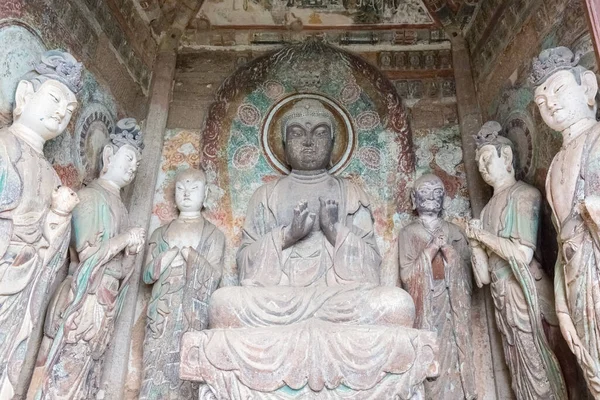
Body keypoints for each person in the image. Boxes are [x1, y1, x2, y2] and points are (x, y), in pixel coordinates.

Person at [34, 118, 145, 400]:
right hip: (84, 300)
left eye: (137, 163)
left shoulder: (121, 207)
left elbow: (120, 268)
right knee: (67, 370)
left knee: (89, 374)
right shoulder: (90, 198)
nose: (133, 167)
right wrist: (124, 240)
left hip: (105, 301)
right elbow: (88, 257)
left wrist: (130, 251)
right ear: (108, 155)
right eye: (129, 158)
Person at [0, 50, 82, 399]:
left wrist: (59, 218)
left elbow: (51, 246)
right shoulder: (3, 145)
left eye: (69, 109)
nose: (61, 112)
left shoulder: (52, 176)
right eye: (54, 98)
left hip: (25, 286)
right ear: (24, 96)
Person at [466, 121, 566, 399]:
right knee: (516, 367)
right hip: (502, 296)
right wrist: (474, 243)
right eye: (479, 164)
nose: (483, 168)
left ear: (506, 157)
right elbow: (483, 278)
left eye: (487, 159)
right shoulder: (485, 212)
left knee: (538, 364)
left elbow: (522, 254)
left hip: (526, 293)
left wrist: (483, 238)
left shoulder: (524, 195)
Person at [532, 46, 600, 396]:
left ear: (587, 88)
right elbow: (562, 244)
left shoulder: (597, 139)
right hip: (575, 282)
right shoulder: (556, 164)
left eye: (558, 90)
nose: (551, 105)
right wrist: (561, 306)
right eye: (541, 102)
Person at [140, 168, 224, 400]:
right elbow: (147, 275)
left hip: (194, 314)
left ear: (205, 193)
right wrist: (169, 256)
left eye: (194, 188)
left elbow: (216, 277)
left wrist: (190, 256)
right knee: (154, 363)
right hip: (161, 311)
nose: (186, 193)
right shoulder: (160, 233)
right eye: (180, 188)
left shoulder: (214, 235)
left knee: (188, 365)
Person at [399, 173, 476, 400]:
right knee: (431, 360)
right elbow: (407, 276)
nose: (431, 197)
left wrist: (449, 252)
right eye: (424, 192)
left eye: (437, 192)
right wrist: (432, 249)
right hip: (427, 306)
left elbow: (468, 276)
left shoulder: (455, 232)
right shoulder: (408, 233)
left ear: (444, 199)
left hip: (454, 307)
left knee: (455, 355)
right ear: (414, 198)